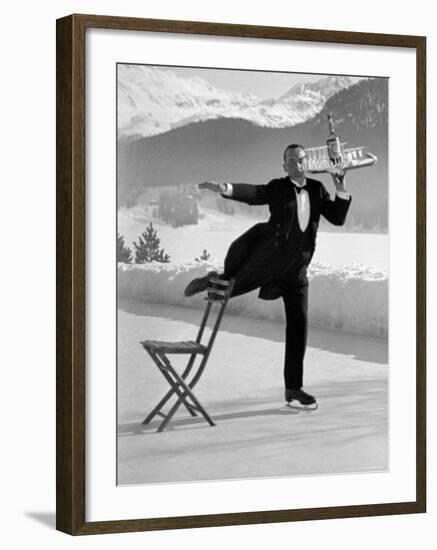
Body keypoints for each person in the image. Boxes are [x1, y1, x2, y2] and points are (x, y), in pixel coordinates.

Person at [184, 144, 352, 406]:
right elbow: (254, 193)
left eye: (300, 160)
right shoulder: (278, 187)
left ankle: (293, 388)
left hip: (297, 269)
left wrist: (340, 186)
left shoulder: (318, 189)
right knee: (229, 288)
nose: (296, 165)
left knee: (299, 327)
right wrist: (226, 188)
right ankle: (212, 279)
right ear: (284, 166)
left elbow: (338, 218)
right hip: (269, 260)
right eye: (290, 161)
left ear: (306, 162)